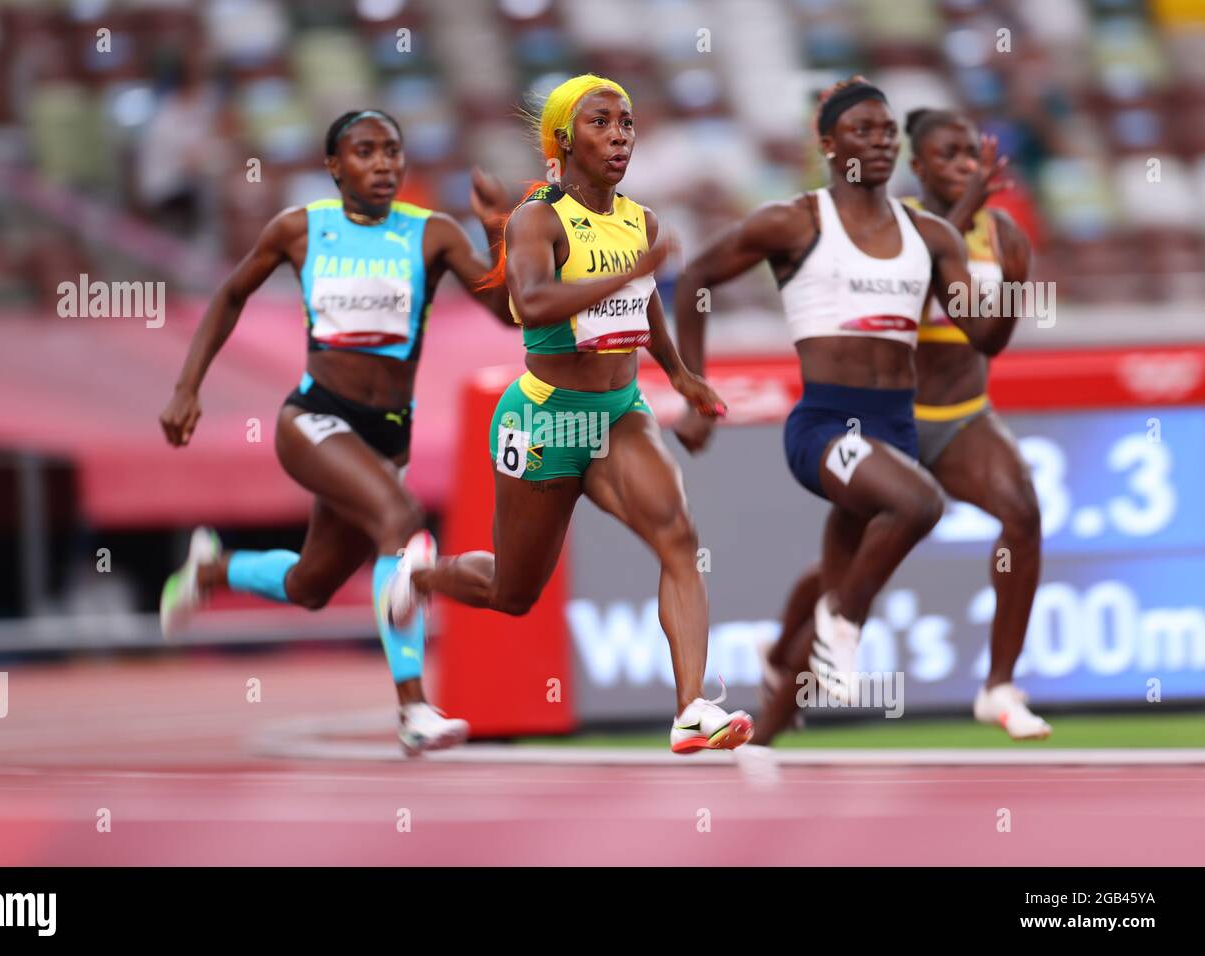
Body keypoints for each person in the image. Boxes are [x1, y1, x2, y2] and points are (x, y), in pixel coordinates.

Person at [407, 74, 752, 753]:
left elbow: (646, 303)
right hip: (545, 419)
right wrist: (634, 270)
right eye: (601, 123)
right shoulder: (539, 218)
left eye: (626, 123)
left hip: (619, 412)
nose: (620, 135)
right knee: (514, 591)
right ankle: (419, 576)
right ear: (564, 141)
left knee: (678, 538)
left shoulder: (640, 220)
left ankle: (691, 709)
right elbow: (529, 307)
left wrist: (680, 374)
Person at [157, 109, 514, 755]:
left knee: (312, 586)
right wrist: (188, 386)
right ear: (334, 166)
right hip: (313, 418)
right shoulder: (300, 229)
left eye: (393, 152)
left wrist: (496, 228)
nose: (383, 165)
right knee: (401, 521)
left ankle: (217, 567)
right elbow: (231, 295)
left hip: (386, 439)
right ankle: (414, 711)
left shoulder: (431, 234)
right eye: (365, 152)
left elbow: (508, 311)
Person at [673, 77, 1018, 726]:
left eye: (888, 131)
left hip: (896, 428)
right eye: (863, 131)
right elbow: (694, 278)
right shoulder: (794, 221)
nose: (880, 142)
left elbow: (984, 336)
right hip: (826, 424)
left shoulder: (931, 236)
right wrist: (693, 389)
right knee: (918, 504)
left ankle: (766, 727)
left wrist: (1014, 284)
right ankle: (842, 621)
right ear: (828, 145)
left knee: (844, 576)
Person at [745, 110, 1048, 744]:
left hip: (963, 418)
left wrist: (1015, 286)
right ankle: (770, 714)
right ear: (920, 166)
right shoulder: (894, 227)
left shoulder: (1003, 236)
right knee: (842, 584)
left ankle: (998, 686)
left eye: (972, 152)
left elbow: (990, 341)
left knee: (1021, 510)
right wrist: (965, 206)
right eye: (949, 154)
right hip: (887, 424)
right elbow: (898, 289)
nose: (966, 164)